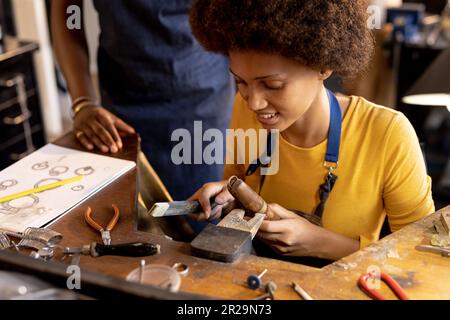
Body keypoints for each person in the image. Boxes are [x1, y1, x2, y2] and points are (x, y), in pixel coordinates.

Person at [187, 0, 435, 262]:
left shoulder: (388, 135)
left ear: (323, 66)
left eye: (272, 85)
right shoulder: (245, 108)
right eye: (241, 82)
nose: (254, 102)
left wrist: (321, 244)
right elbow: (239, 182)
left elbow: (420, 259)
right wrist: (227, 198)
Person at [51, 0, 234, 204]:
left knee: (205, 211)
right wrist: (82, 101)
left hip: (203, 100)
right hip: (121, 108)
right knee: (130, 216)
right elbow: (70, 13)